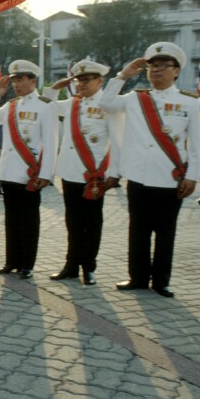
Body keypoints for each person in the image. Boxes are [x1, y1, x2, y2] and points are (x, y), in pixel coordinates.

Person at [99, 42, 200, 298]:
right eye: (152, 66)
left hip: (169, 178)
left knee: (165, 233)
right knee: (138, 230)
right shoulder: (135, 98)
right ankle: (137, 278)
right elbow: (106, 102)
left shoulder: (190, 102)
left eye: (163, 65)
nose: (156, 70)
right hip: (138, 177)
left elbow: (197, 144)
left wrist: (192, 176)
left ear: (176, 71)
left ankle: (161, 281)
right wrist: (123, 75)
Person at [44, 59, 121, 286]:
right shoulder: (72, 103)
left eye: (87, 80)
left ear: (100, 81)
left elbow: (117, 141)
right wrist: (55, 87)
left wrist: (114, 173)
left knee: (92, 224)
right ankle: (71, 266)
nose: (82, 84)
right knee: (73, 222)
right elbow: (48, 105)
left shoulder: (108, 105)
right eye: (78, 80)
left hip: (94, 175)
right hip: (70, 172)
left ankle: (89, 268)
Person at [0, 61, 58, 279]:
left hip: (30, 173)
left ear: (33, 81)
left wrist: (46, 174)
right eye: (14, 81)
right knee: (11, 220)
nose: (16, 85)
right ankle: (11, 261)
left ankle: (27, 264)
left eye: (21, 80)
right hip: (9, 171)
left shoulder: (45, 106)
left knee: (29, 221)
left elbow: (51, 142)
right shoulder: (10, 105)